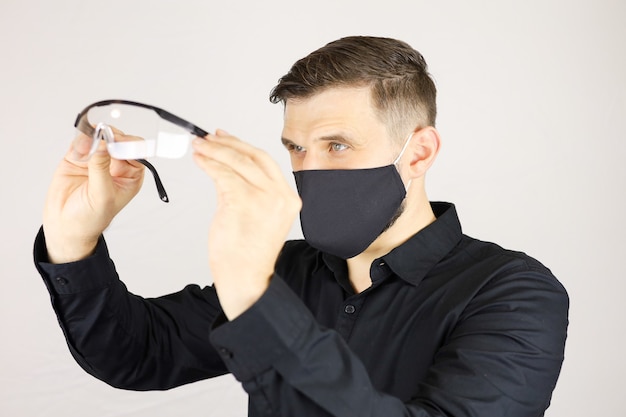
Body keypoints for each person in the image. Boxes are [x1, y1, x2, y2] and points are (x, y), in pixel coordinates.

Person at [34, 36, 568, 417]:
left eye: (337, 145)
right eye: (296, 149)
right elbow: (139, 353)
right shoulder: (284, 268)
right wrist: (73, 242)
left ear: (419, 151)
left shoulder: (513, 294)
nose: (308, 171)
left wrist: (252, 291)